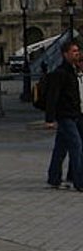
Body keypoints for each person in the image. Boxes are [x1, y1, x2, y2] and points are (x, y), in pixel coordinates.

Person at [44, 39, 83, 190]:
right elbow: (52, 97)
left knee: (61, 147)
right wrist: (50, 119)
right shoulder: (59, 73)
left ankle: (54, 177)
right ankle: (79, 182)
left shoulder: (73, 72)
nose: (77, 54)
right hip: (65, 116)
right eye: (73, 51)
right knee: (76, 146)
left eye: (77, 51)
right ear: (65, 54)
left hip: (75, 115)